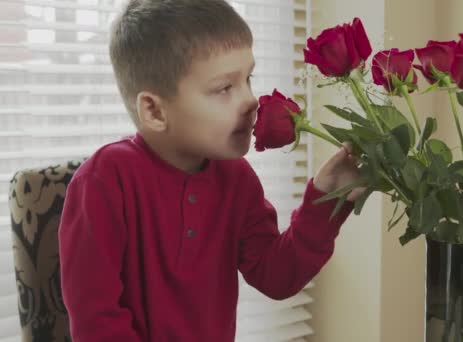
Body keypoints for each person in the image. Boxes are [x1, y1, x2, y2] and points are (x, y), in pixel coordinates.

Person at [58, 0, 362, 341]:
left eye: (248, 78)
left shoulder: (236, 177)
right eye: (224, 88)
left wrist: (325, 199)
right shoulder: (103, 182)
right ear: (154, 111)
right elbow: (96, 322)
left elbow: (275, 276)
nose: (251, 100)